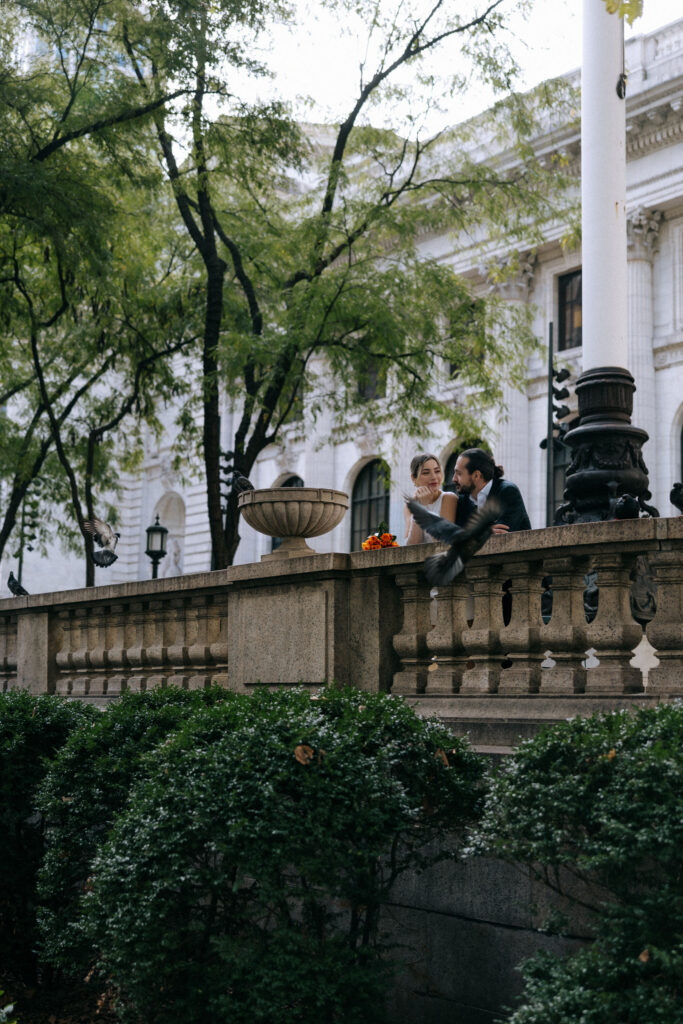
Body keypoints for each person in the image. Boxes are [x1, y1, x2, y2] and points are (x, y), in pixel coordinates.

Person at [453, 448, 531, 533]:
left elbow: (502, 535)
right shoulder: (463, 499)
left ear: (476, 475)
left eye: (459, 474)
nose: (454, 479)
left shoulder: (508, 492)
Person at [404, 453, 473, 544]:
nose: (434, 477)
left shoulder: (448, 498)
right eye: (426, 473)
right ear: (413, 478)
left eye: (437, 471)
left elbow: (441, 541)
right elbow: (412, 545)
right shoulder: (409, 505)